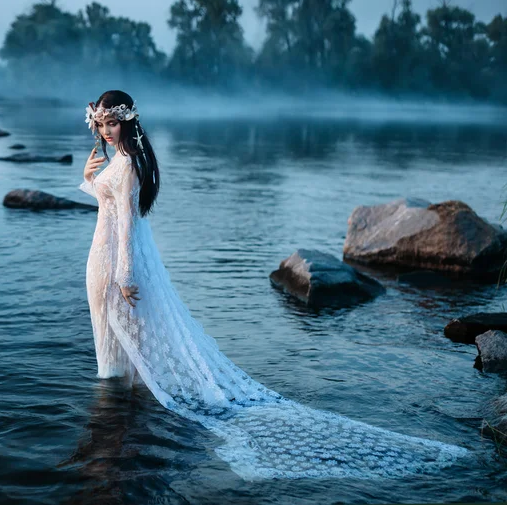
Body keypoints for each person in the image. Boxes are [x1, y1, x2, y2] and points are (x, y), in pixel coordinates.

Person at [79, 90, 471, 481]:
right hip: (104, 259)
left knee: (119, 354)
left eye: (112, 122)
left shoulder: (129, 166)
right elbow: (110, 209)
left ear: (128, 122)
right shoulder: (121, 163)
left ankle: (114, 430)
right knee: (120, 348)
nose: (106, 130)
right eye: (101, 123)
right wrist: (89, 179)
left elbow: (127, 225)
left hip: (112, 264)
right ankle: (122, 422)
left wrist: (125, 277)